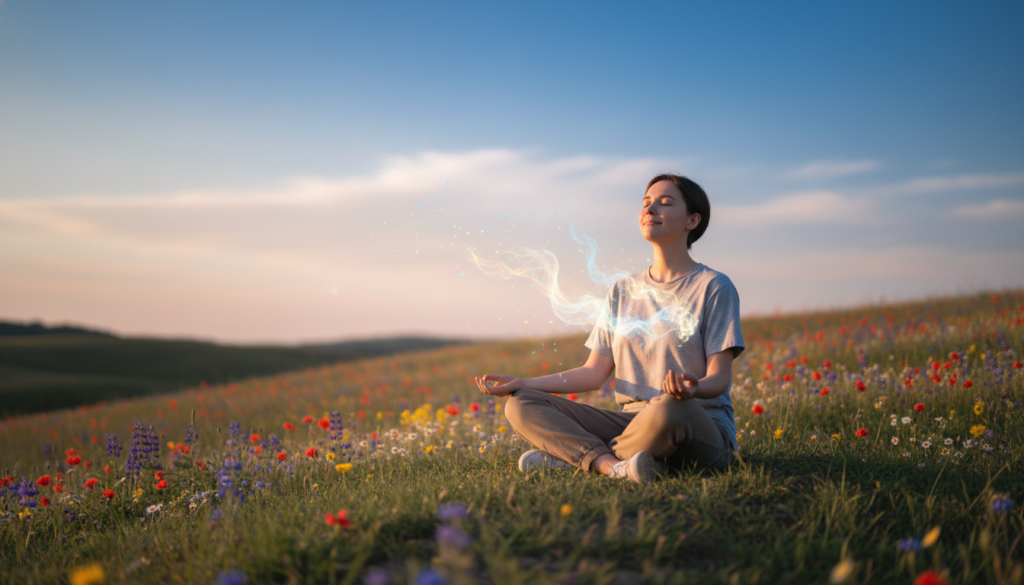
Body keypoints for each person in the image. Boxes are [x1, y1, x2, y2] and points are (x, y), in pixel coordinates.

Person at [473, 174, 745, 483]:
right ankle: (612, 466)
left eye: (665, 203)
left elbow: (720, 378)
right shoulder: (623, 290)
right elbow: (593, 372)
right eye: (646, 203)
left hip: (695, 420)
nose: (650, 209)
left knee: (670, 407)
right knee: (521, 402)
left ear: (692, 221)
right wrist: (523, 381)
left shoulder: (713, 286)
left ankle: (578, 458)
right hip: (630, 424)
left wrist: (692, 389)